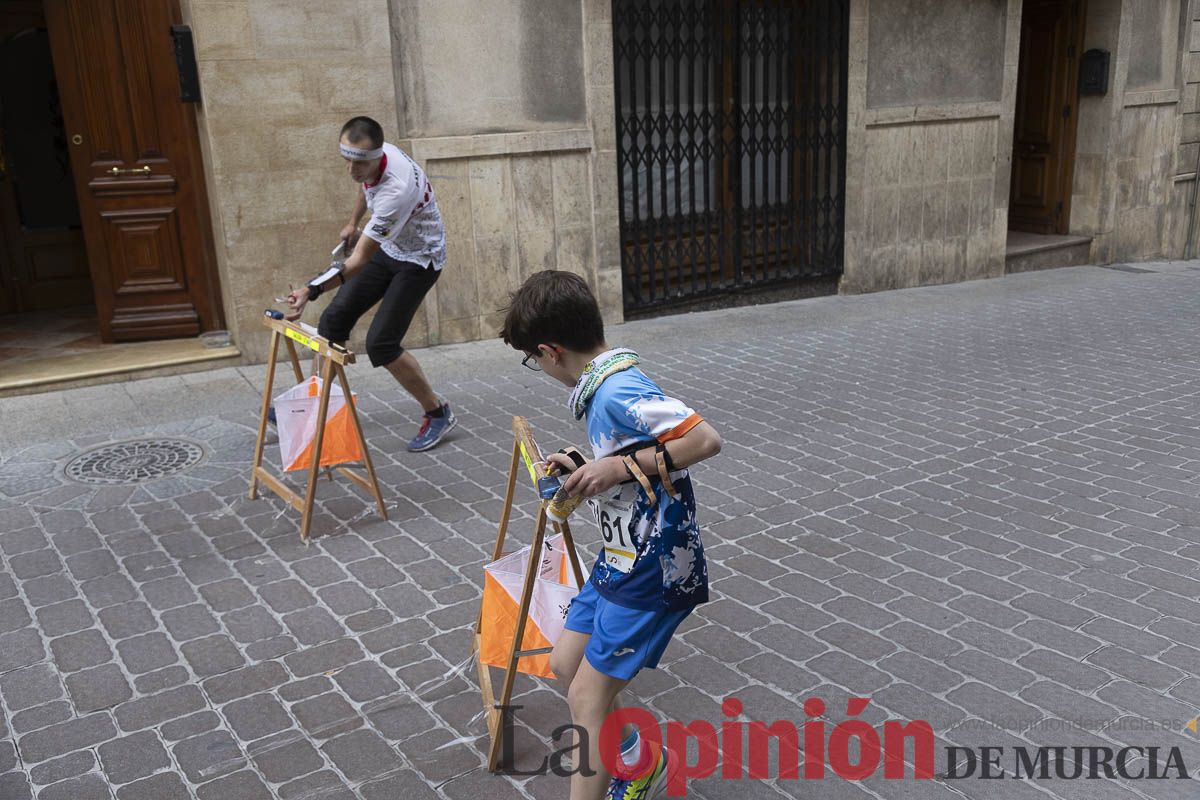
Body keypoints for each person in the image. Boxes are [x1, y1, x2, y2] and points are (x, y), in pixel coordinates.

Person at [500, 270, 723, 800]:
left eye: (534, 359)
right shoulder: (601, 388)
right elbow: (631, 459)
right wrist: (587, 465)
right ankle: (635, 761)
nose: (540, 369)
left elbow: (704, 439)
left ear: (551, 351)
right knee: (564, 663)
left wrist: (616, 470)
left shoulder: (618, 389)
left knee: (586, 699)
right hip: (620, 555)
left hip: (652, 564)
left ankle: (620, 777)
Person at [285, 116, 455, 452]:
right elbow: (366, 188)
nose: (352, 171)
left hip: (419, 260)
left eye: (359, 163)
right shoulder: (378, 155)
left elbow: (358, 261)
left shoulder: (397, 188)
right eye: (346, 161)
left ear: (376, 155)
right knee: (332, 322)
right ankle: (315, 406)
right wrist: (352, 222)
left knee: (382, 344)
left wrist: (312, 289)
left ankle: (437, 412)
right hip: (390, 247)